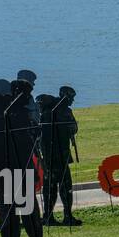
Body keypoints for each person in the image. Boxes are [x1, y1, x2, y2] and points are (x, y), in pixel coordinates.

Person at [0, 77, 58, 237]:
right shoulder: (16, 113)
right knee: (28, 212)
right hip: (20, 168)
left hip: (3, 169)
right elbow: (30, 139)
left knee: (8, 214)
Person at [38, 86, 81, 226]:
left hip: (49, 155)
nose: (73, 101)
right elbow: (74, 128)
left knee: (49, 187)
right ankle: (67, 215)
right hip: (61, 154)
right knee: (65, 186)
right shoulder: (65, 112)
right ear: (66, 96)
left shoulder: (46, 111)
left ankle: (47, 216)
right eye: (72, 98)